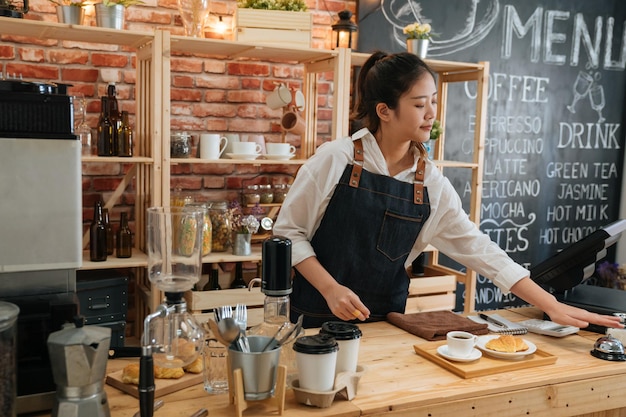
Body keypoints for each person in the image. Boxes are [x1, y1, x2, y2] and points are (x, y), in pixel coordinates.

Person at [273, 50, 623, 330]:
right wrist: (330, 288)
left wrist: (551, 304)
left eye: (434, 102)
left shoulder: (430, 183)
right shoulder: (336, 159)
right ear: (384, 111)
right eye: (419, 104)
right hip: (313, 323)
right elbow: (288, 232)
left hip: (384, 325)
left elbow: (478, 249)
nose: (431, 114)